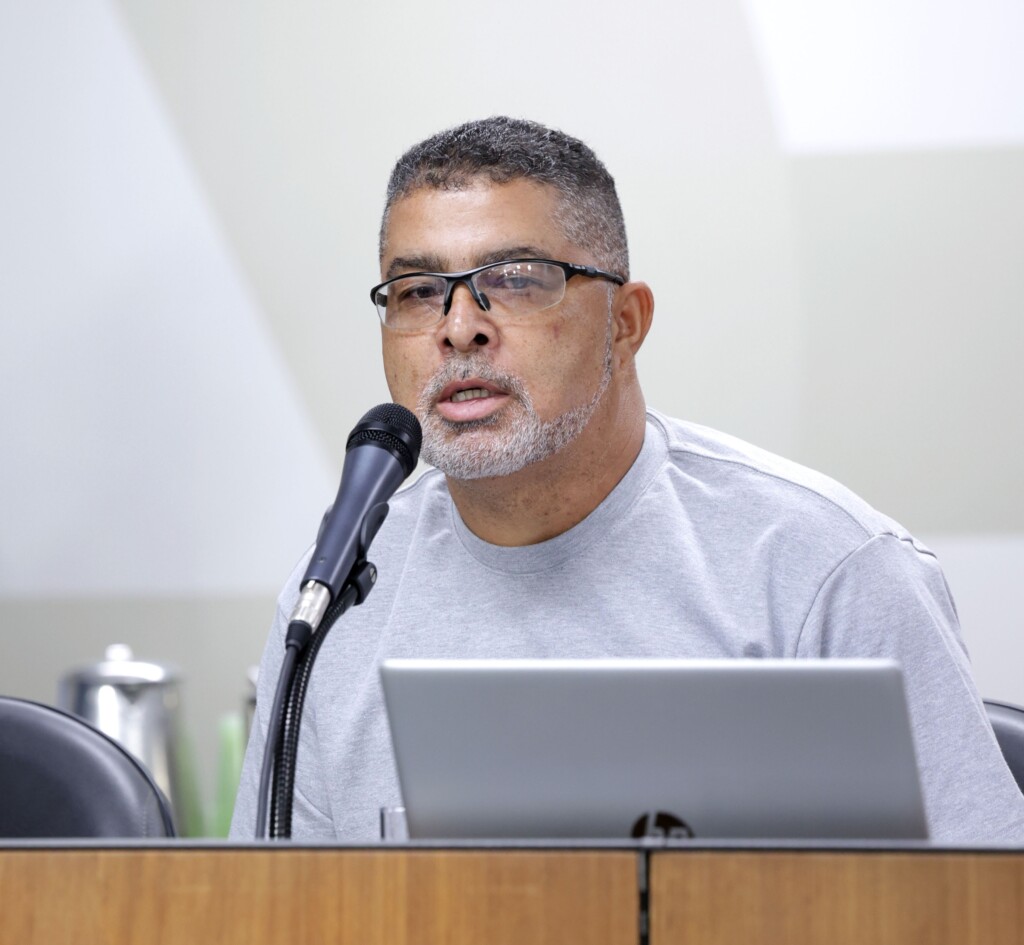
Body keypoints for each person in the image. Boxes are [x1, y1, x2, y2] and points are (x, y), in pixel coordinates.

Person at [231, 116, 1024, 843]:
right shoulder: (331, 602)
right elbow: (275, 918)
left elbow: (982, 913)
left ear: (626, 322)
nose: (458, 325)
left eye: (513, 279)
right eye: (416, 291)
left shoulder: (823, 571)